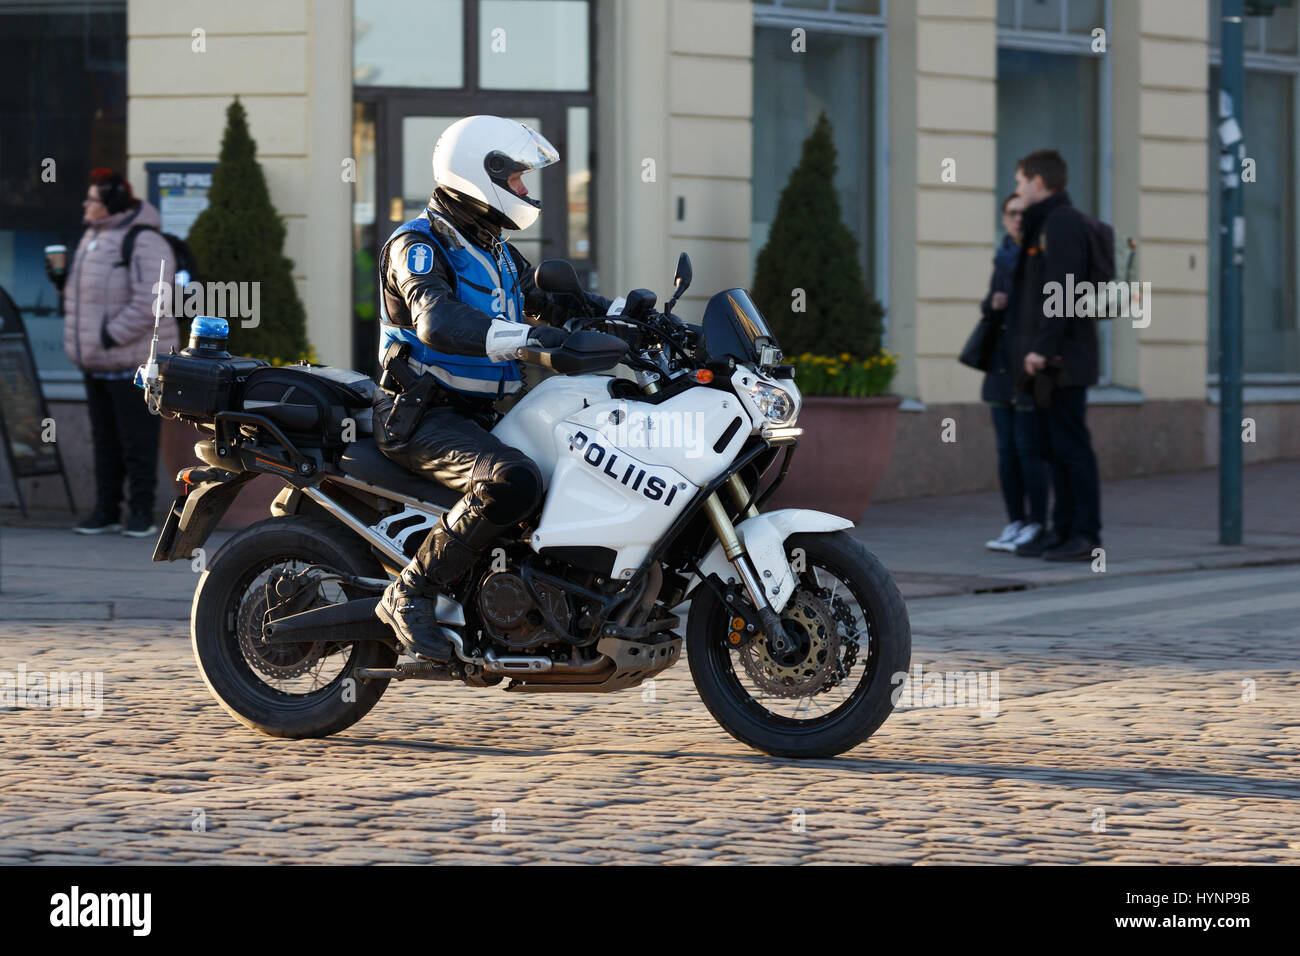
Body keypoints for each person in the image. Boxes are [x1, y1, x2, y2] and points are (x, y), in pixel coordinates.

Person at [373, 115, 611, 661]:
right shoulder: (419, 244)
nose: (525, 190)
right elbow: (437, 321)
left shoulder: (497, 250)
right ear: (482, 173)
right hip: (420, 416)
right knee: (512, 481)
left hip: (480, 415)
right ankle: (411, 592)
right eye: (518, 178)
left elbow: (559, 305)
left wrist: (633, 317)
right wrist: (532, 339)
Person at [55, 168, 178, 537]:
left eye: (92, 198)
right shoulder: (93, 238)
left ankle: (141, 513)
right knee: (105, 440)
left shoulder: (143, 240)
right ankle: (106, 510)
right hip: (96, 362)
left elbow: (152, 300)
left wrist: (109, 336)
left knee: (136, 441)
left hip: (133, 363)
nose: (86, 204)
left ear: (109, 204)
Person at [1010, 149, 1102, 561]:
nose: (1017, 190)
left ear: (1039, 182)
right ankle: (1061, 530)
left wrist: (1043, 349)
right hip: (1052, 360)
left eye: (1020, 182)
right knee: (1052, 448)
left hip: (1062, 361)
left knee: (1071, 447)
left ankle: (1084, 534)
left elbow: (1061, 289)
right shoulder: (1046, 222)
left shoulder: (1060, 223)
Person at [981, 192, 1048, 552]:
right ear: (1005, 219)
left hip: (1028, 370)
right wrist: (992, 305)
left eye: (1024, 214)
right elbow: (989, 306)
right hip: (1000, 367)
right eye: (1012, 214)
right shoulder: (1004, 254)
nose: (1018, 220)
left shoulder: (1040, 256)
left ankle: (1038, 523)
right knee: (1007, 452)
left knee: (1029, 450)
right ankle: (1016, 521)